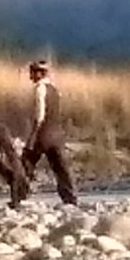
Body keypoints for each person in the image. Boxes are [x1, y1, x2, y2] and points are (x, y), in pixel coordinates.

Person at [19, 57, 79, 204]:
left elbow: (39, 115)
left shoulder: (39, 89)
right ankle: (70, 198)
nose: (30, 76)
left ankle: (19, 197)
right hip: (56, 135)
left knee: (25, 164)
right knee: (61, 168)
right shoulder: (55, 89)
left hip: (43, 134)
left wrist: (32, 136)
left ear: (40, 73)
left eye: (32, 73)